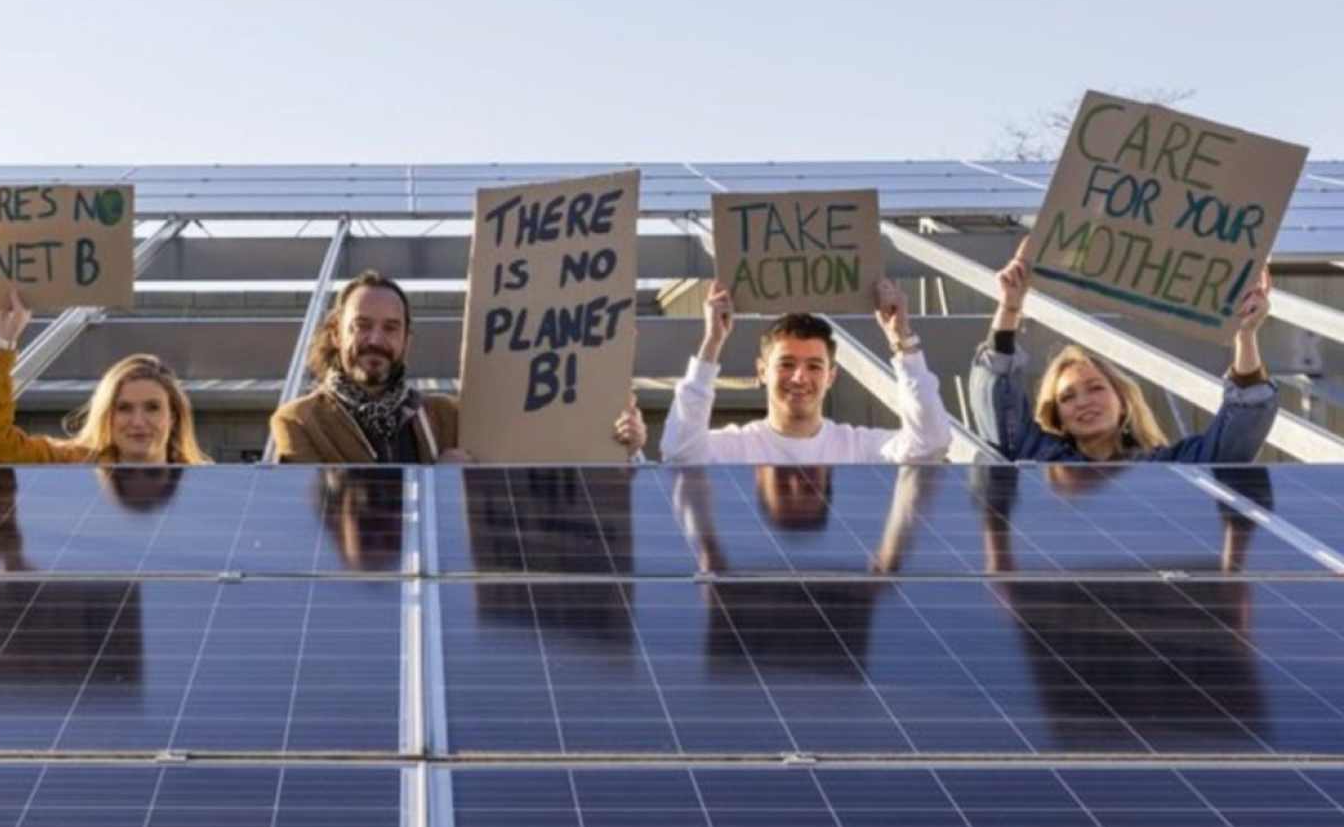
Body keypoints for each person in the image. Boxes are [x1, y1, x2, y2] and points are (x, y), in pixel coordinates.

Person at [269, 270, 646, 464]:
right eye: (362, 326)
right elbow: (327, 514)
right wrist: (436, 487)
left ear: (406, 340)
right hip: (345, 596)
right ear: (336, 334)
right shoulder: (297, 421)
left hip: (436, 598)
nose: (375, 340)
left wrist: (615, 438)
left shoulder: (445, 417)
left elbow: (533, 451)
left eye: (390, 328)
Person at [969, 242, 1277, 462]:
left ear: (1124, 402)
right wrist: (1010, 305)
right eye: (1067, 397)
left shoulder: (1171, 472)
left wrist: (1245, 334)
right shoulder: (1035, 457)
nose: (1083, 402)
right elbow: (997, 397)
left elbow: (1238, 432)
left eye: (1095, 388)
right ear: (1057, 417)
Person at [659, 279, 951, 464]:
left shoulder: (857, 448)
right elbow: (678, 452)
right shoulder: (736, 447)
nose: (799, 377)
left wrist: (902, 340)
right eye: (786, 364)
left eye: (814, 366)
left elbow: (931, 444)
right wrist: (712, 342)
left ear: (831, 376)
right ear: (762, 371)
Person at [0, 288, 211, 465]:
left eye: (152, 408)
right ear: (106, 415)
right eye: (123, 408)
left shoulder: (208, 486)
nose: (138, 422)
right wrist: (3, 339)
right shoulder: (73, 466)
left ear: (174, 417)